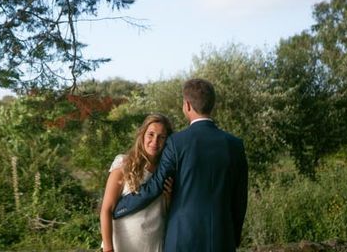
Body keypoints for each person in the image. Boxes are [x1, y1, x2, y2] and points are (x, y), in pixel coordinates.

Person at [114, 78, 248, 252]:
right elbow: (240, 199)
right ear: (212, 105)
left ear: (187, 105)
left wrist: (121, 207)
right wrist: (233, 236)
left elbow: (155, 186)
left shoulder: (176, 143)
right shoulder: (235, 145)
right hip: (222, 238)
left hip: (182, 239)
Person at [100, 113, 174, 252]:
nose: (155, 141)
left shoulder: (167, 171)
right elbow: (106, 210)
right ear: (142, 134)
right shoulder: (124, 164)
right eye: (150, 134)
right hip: (122, 246)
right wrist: (108, 248)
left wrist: (169, 197)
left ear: (167, 140)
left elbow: (166, 214)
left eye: (161, 137)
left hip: (153, 245)